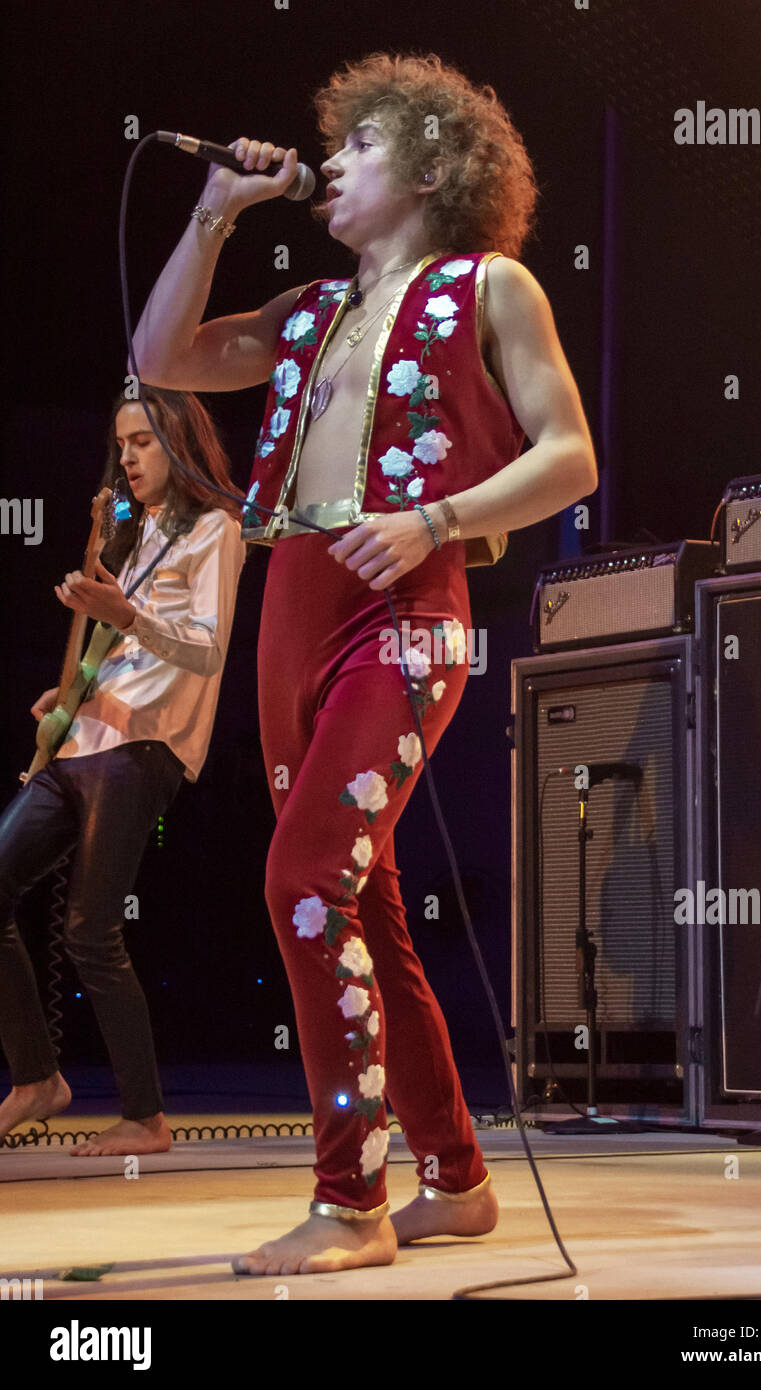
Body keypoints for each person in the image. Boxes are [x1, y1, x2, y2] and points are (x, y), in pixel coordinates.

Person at [132, 51, 597, 1273]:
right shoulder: (308, 314)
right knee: (361, 896)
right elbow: (163, 356)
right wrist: (214, 210)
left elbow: (569, 457)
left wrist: (439, 519)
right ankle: (455, 1174)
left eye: (361, 145)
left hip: (401, 608)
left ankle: (352, 1201)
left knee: (303, 881)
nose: (328, 160)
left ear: (435, 164)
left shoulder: (488, 285)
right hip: (293, 607)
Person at [0, 387, 246, 1156]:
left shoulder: (216, 531)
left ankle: (145, 1116)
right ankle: (38, 1078)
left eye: (142, 442)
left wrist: (127, 615)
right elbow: (126, 648)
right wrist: (74, 690)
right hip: (83, 740)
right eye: (122, 444)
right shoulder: (139, 541)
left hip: (143, 749)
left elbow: (207, 651)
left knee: (88, 929)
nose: (129, 457)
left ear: (178, 442)